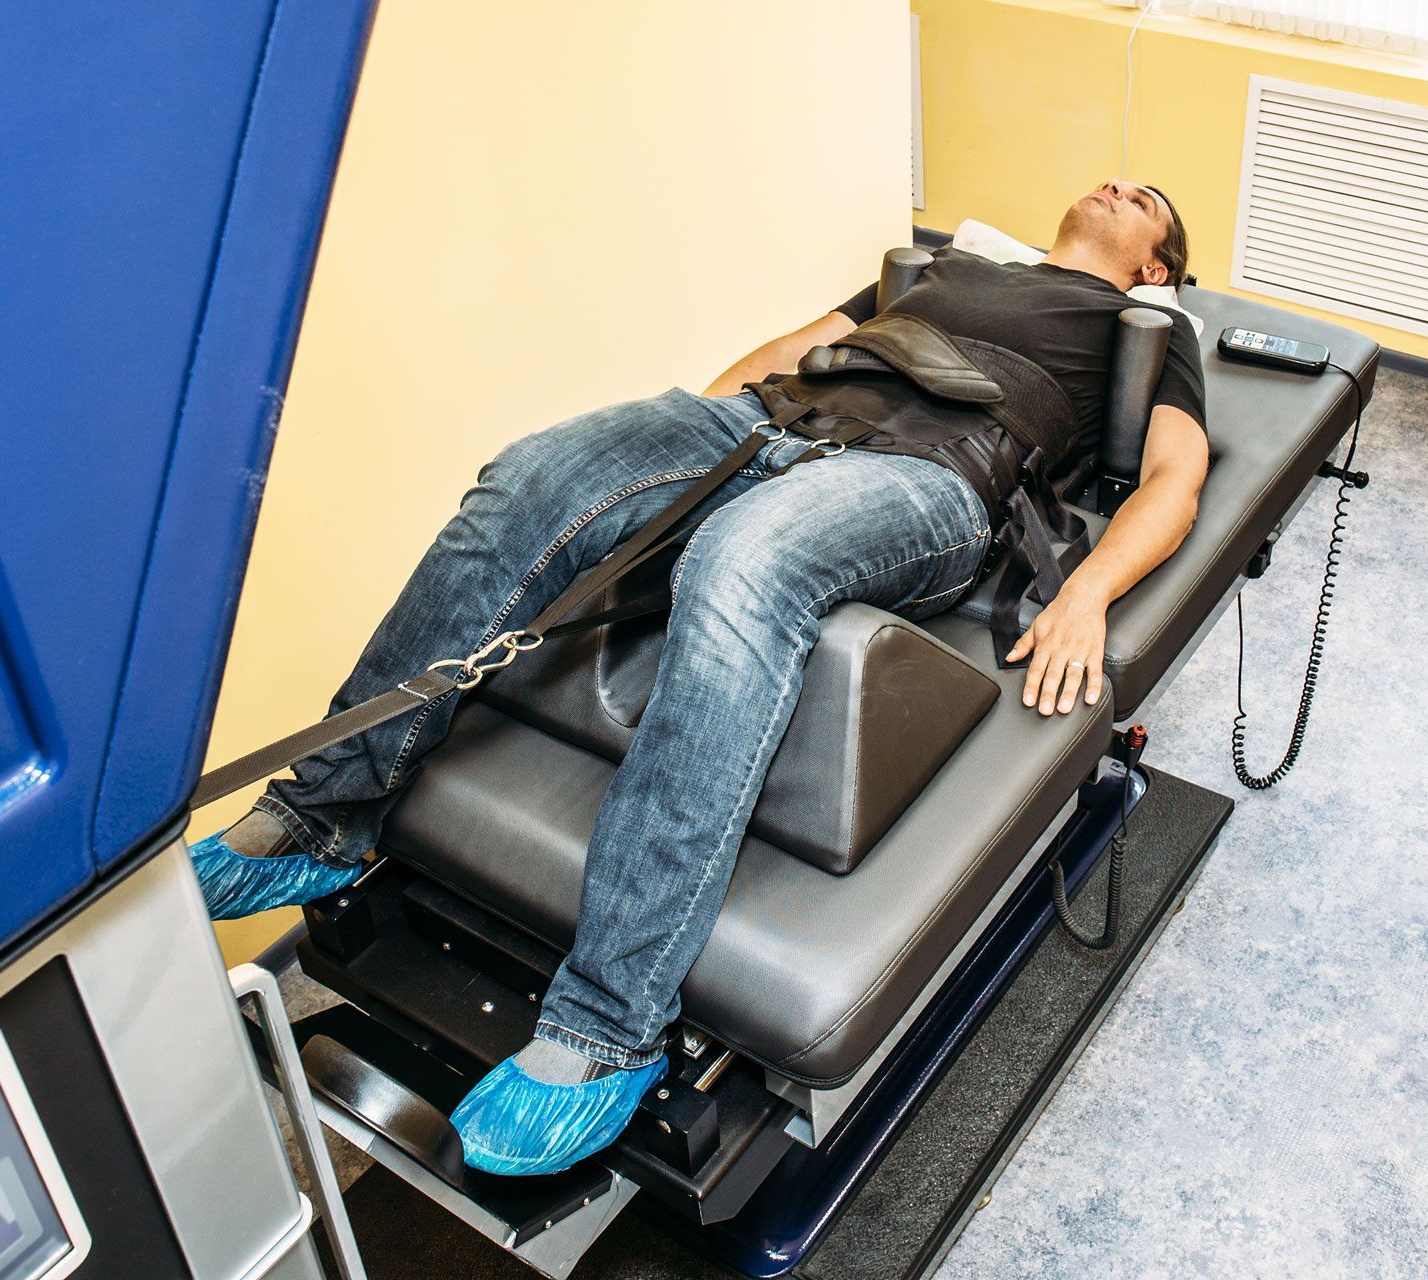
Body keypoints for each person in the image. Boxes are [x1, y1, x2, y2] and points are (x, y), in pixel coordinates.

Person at [190, 178, 1209, 1176]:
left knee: (742, 560)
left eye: (1145, 200)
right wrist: (662, 461)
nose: (1118, 186)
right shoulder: (953, 267)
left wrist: (1087, 595)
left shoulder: (1145, 333)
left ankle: (607, 1021)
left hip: (933, 477)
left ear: (1155, 265)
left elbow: (1176, 476)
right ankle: (323, 814)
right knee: (534, 476)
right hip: (770, 422)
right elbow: (786, 349)